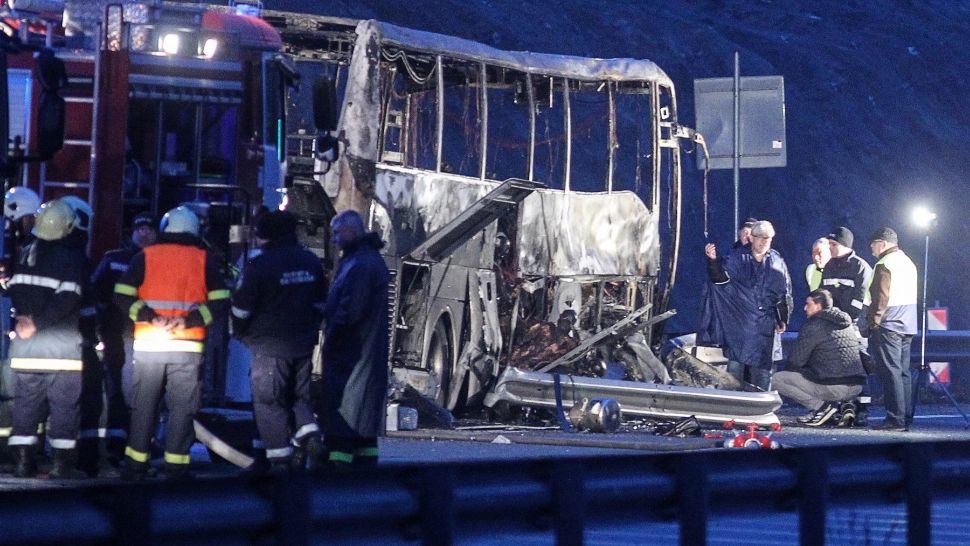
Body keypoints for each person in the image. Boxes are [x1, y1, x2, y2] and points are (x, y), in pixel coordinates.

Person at [114, 206, 229, 479]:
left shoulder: (145, 256)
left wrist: (149, 317)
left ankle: (135, 465)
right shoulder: (204, 259)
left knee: (144, 406)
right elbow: (222, 300)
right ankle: (176, 466)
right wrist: (188, 321)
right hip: (186, 347)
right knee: (182, 408)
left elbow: (121, 295)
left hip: (149, 345)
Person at [231, 211, 326, 473]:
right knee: (299, 399)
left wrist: (240, 333)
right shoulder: (310, 261)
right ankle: (311, 437)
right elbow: (320, 303)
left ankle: (280, 462)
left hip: (268, 347)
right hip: (303, 345)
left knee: (269, 402)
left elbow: (241, 310)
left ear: (266, 235)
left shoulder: (260, 265)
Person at [6, 198, 88, 478]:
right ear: (66, 227)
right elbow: (69, 299)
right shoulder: (72, 259)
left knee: (25, 408)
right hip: (61, 351)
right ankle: (61, 467)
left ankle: (22, 464)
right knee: (64, 408)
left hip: (26, 349)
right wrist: (38, 323)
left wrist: (26, 323)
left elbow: (14, 291)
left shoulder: (24, 254)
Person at [321, 210, 390, 469]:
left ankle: (338, 481)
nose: (335, 239)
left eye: (338, 233)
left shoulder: (359, 265)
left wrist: (332, 336)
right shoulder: (366, 260)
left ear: (352, 231)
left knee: (343, 428)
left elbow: (350, 311)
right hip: (363, 358)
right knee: (363, 432)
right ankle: (365, 481)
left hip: (351, 359)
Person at [90, 212, 157, 465]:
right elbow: (96, 290)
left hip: (148, 334)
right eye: (140, 228)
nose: (144, 232)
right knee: (117, 387)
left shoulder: (158, 260)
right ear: (132, 232)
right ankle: (118, 445)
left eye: (149, 228)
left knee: (142, 391)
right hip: (117, 333)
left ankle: (138, 442)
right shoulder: (113, 258)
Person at [699, 220, 792, 391]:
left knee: (763, 373)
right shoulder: (737, 258)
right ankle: (733, 407)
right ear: (752, 238)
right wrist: (713, 261)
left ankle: (760, 408)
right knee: (735, 370)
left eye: (768, 238)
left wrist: (783, 319)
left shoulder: (777, 262)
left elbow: (782, 294)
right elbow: (720, 280)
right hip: (739, 327)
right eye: (760, 238)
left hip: (764, 328)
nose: (764, 242)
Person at [773, 289, 866, 426]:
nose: (804, 308)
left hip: (835, 388)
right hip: (857, 386)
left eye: (808, 304)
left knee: (777, 379)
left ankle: (822, 408)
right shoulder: (847, 323)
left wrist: (803, 370)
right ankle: (843, 407)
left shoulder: (813, 325)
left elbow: (795, 361)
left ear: (818, 306)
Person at [866, 227, 917, 432]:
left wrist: (873, 322)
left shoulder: (884, 263)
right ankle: (905, 417)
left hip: (889, 323)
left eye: (873, 243)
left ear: (883, 243)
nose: (871, 247)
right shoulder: (908, 262)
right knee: (903, 372)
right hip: (908, 322)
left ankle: (894, 419)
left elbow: (881, 296)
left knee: (891, 372)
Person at [823, 226, 873, 325]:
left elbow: (861, 297)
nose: (830, 247)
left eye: (833, 244)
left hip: (854, 324)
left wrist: (850, 319)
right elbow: (823, 292)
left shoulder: (860, 267)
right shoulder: (828, 266)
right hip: (831, 321)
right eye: (829, 244)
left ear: (845, 245)